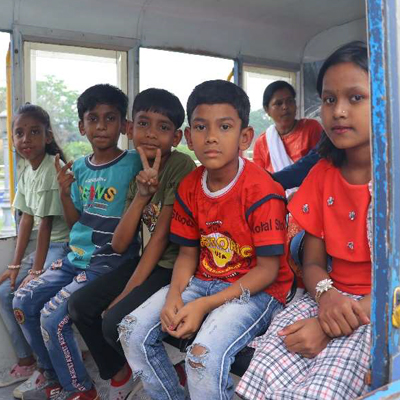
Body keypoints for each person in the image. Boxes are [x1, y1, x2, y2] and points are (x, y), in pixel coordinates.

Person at [119, 79, 294, 400]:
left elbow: (268, 270)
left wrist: (204, 305)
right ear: (188, 137)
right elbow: (188, 253)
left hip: (256, 289)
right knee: (131, 330)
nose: (211, 137)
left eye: (224, 127)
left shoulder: (263, 190)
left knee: (201, 355)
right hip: (203, 278)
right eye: (200, 127)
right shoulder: (189, 186)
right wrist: (175, 295)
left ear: (244, 137)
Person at [237, 41, 372, 400]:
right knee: (262, 371)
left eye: (356, 98)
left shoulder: (392, 182)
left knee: (319, 392)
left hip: (379, 308)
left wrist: (333, 324)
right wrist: (326, 298)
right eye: (329, 100)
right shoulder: (322, 175)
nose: (339, 111)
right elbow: (312, 261)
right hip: (323, 294)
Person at [12, 84, 142, 400]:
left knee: (52, 317)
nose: (101, 126)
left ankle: (80, 390)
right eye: (93, 119)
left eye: (110, 118)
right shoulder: (80, 167)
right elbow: (75, 224)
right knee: (22, 301)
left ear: (124, 125)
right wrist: (65, 192)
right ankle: (51, 373)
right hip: (77, 256)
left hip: (109, 260)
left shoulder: (135, 162)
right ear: (82, 126)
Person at [67, 88, 196, 400]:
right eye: (143, 124)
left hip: (171, 267)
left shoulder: (180, 166)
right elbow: (122, 243)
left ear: (176, 137)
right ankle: (120, 373)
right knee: (79, 306)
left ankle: (167, 368)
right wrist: (141, 195)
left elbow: (160, 240)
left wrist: (124, 295)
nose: (151, 134)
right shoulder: (138, 168)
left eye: (163, 127)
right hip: (141, 261)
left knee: (113, 321)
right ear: (130, 128)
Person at [0, 104, 70, 399]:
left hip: (62, 246)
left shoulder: (52, 167)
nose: (26, 139)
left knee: (22, 296)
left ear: (47, 135)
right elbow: (27, 219)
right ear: (12, 139)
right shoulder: (28, 170)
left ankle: (48, 369)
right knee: (5, 291)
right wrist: (15, 268)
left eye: (34, 132)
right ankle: (27, 361)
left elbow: (46, 227)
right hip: (44, 245)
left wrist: (35, 271)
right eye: (19, 133)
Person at [253, 81, 322, 178]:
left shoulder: (311, 128)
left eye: (290, 101)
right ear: (267, 110)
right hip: (275, 192)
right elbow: (259, 179)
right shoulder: (262, 143)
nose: (285, 107)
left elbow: (321, 167)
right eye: (278, 103)